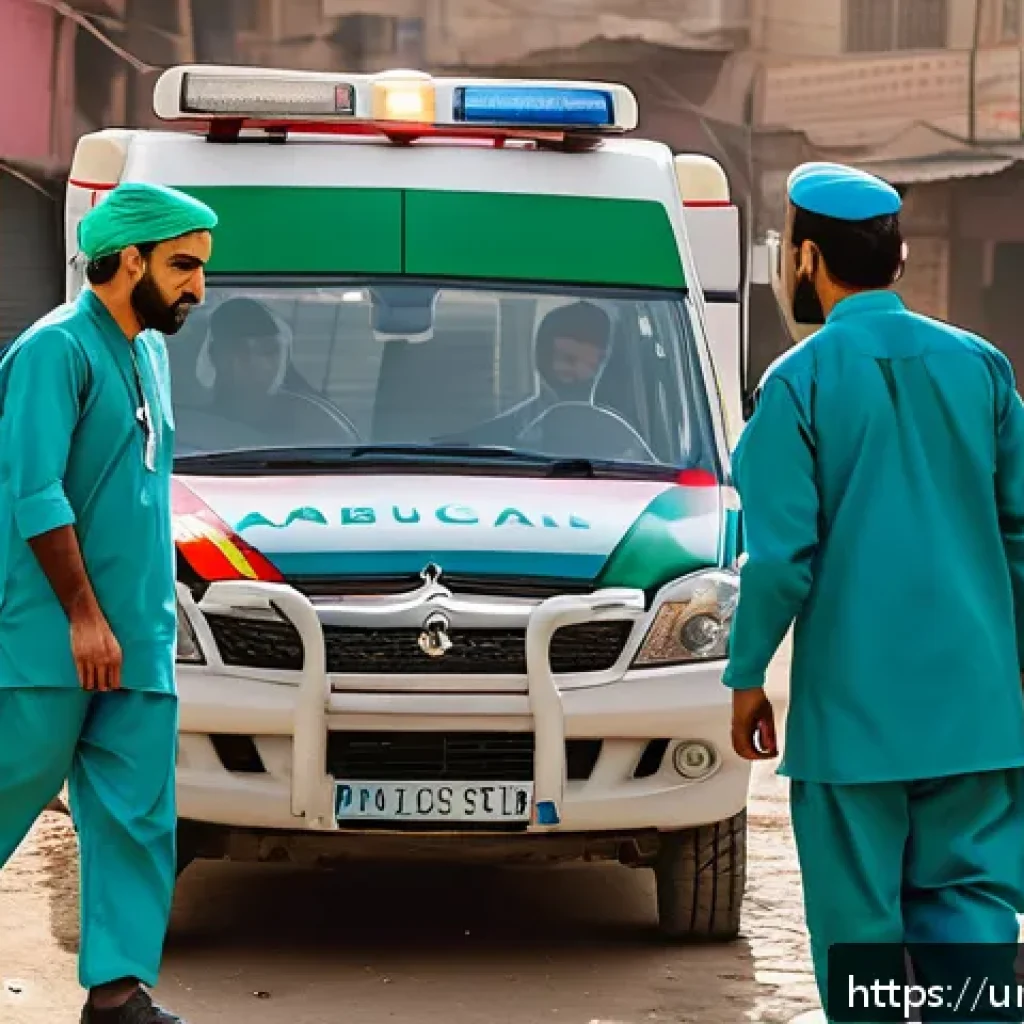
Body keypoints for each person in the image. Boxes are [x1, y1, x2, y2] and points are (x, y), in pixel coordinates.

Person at [723, 162, 1024, 1020]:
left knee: (862, 946)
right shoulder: (984, 369)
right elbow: (1023, 532)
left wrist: (747, 676)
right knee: (971, 919)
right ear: (896, 262)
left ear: (809, 260)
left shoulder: (796, 384)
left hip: (854, 726)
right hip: (976, 715)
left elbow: (780, 560)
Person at [0, 181, 217, 1023]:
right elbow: (36, 496)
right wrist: (85, 618)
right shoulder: (55, 350)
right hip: (52, 638)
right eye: (183, 266)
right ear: (128, 260)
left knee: (137, 818)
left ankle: (119, 993)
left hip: (140, 641)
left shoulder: (150, 352)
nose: (199, 286)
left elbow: (138, 486)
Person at [438, 299, 612, 446]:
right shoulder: (493, 440)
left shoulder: (629, 446)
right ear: (543, 358)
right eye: (567, 360)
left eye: (594, 364)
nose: (579, 371)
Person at [195, 295, 357, 447]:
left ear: (282, 357)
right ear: (214, 355)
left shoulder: (315, 421)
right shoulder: (188, 425)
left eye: (267, 350)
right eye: (237, 350)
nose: (252, 361)